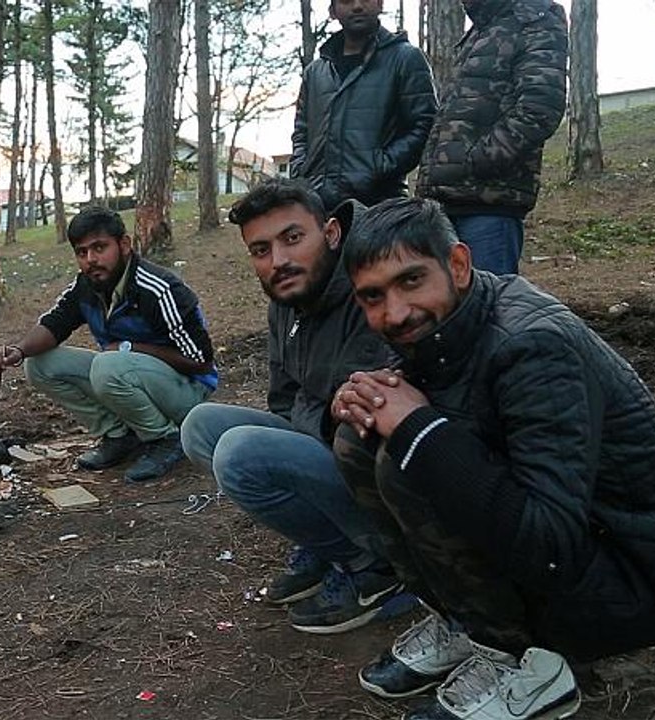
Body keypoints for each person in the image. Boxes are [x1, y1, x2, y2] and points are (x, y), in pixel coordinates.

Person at [332, 198, 655, 720]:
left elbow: (551, 543)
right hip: (563, 554)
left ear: (458, 264)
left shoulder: (533, 347)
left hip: (627, 576)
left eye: (411, 281)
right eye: (373, 296)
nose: (395, 313)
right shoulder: (444, 328)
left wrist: (418, 428)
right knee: (359, 440)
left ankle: (528, 663)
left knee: (411, 456)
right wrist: (360, 403)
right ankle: (463, 622)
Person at [180, 179, 408, 634]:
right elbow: (285, 399)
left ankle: (376, 566)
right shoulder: (286, 297)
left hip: (381, 467)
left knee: (239, 454)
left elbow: (366, 417)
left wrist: (312, 418)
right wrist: (313, 417)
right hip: (324, 437)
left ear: (331, 233)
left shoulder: (372, 285)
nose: (278, 260)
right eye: (261, 250)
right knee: (201, 426)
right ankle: (330, 543)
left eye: (292, 238)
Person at [0, 206, 216, 483]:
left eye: (99, 247)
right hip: (130, 376)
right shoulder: (87, 286)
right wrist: (18, 351)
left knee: (107, 366)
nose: (91, 260)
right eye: (82, 252)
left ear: (124, 245)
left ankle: (165, 438)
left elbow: (201, 361)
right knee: (39, 364)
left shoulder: (157, 288)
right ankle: (119, 435)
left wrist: (129, 348)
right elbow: (55, 323)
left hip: (188, 392)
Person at [416, 0, 568, 275]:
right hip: (443, 204)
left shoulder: (535, 18)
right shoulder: (481, 29)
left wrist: (477, 162)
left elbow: (540, 108)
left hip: (489, 207)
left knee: (487, 297)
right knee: (444, 299)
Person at [289, 0, 437, 211]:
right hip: (319, 207)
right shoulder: (315, 72)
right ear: (332, 11)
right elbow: (301, 131)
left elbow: (424, 124)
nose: (357, 6)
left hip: (380, 206)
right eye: (346, 0)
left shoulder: (405, 59)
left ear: (380, 4)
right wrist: (301, 174)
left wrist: (380, 166)